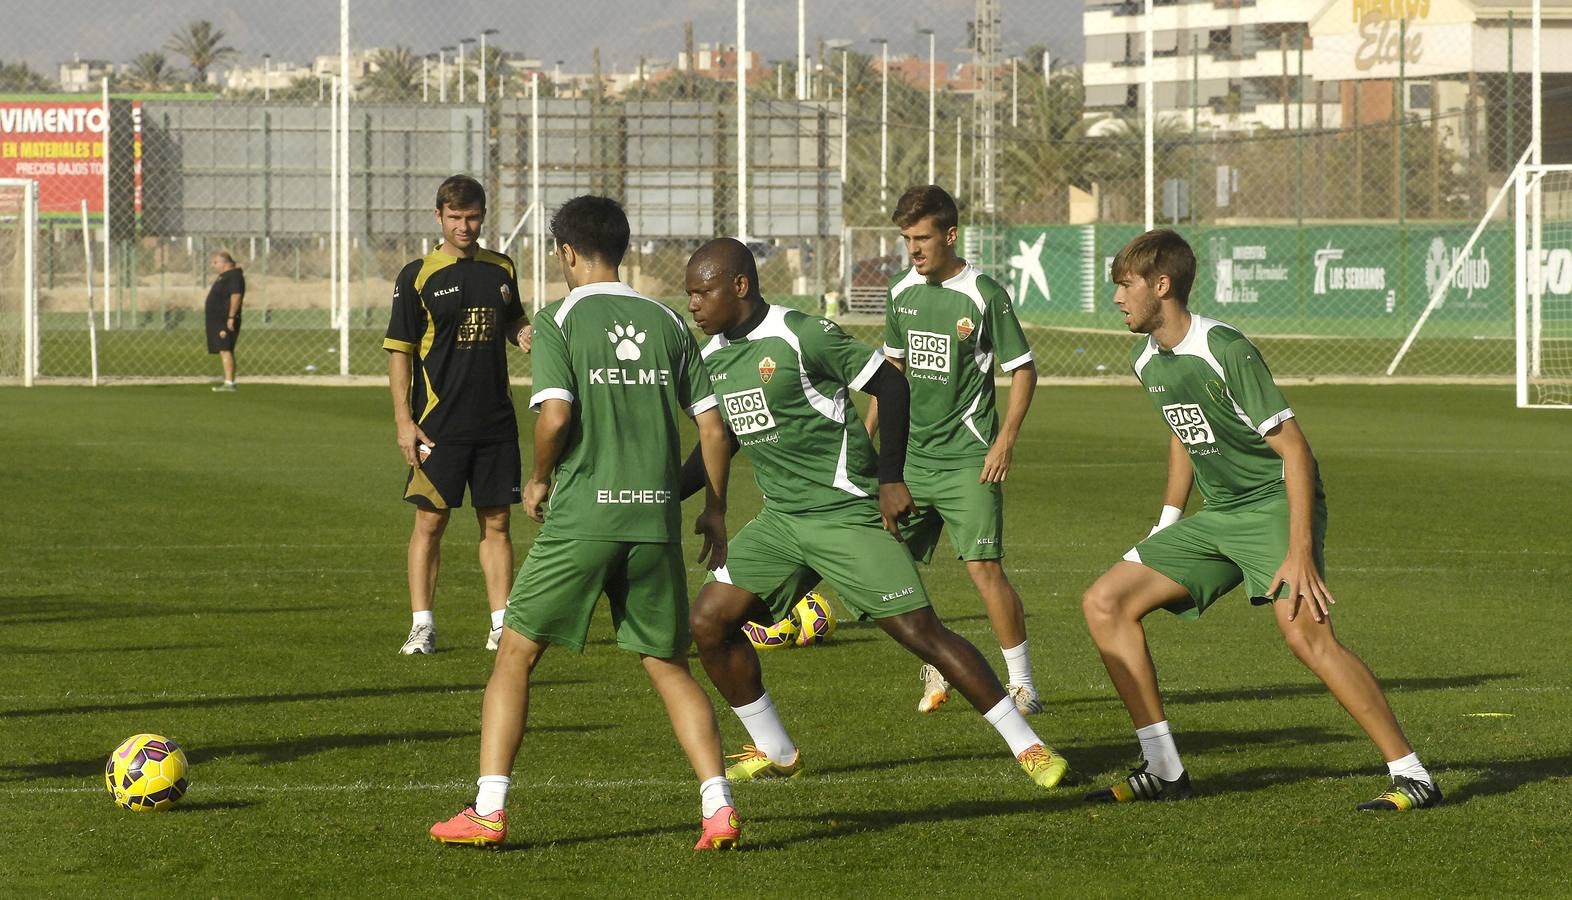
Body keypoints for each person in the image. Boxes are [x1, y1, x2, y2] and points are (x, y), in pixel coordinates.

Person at [680, 237, 1068, 792]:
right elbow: (719, 445)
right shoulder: (713, 358)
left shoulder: (804, 335)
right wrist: (667, 492)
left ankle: (1028, 747)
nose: (692, 304)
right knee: (709, 623)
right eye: (689, 294)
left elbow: (891, 381)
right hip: (780, 522)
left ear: (739, 286)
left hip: (844, 516)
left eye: (702, 292)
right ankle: (776, 748)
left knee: (920, 632)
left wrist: (890, 479)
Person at [1080, 228, 1440, 811]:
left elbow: (1296, 450)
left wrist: (1298, 549)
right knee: (1104, 603)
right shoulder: (1147, 359)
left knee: (1306, 636)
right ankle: (1165, 770)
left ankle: (1414, 774)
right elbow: (1183, 431)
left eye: (1125, 286)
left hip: (1275, 506)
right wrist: (1168, 519)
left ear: (1162, 285)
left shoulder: (1226, 349)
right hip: (1220, 515)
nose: (1117, 298)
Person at [429, 195, 741, 850]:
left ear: (566, 252)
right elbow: (713, 427)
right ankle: (718, 805)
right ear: (620, 248)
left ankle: (488, 809)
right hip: (654, 520)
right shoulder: (667, 322)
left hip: (584, 517)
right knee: (667, 663)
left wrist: (538, 478)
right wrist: (713, 509)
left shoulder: (558, 321)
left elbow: (557, 418)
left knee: (515, 652)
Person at [865, 184, 1044, 716]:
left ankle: (1023, 684)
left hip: (970, 459)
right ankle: (939, 659)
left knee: (984, 568)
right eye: (905, 239)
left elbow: (1023, 370)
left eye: (921, 238)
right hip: (910, 462)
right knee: (891, 564)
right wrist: (866, 443)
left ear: (950, 233)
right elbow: (889, 373)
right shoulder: (901, 293)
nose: (913, 250)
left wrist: (1005, 440)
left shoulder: (984, 294)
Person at [384, 174, 527, 656]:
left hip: (495, 422)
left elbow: (512, 321)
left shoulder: (501, 268)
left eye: (472, 217)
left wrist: (524, 333)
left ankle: (501, 625)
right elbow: (399, 352)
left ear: (483, 215)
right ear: (439, 217)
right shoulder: (418, 274)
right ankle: (422, 625)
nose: (464, 226)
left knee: (498, 523)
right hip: (438, 423)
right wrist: (404, 422)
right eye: (455, 217)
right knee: (430, 523)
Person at [205, 251, 245, 392]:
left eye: (215, 262)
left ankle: (229, 383)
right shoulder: (225, 276)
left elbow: (236, 296)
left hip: (225, 319)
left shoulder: (234, 276)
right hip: (218, 320)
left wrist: (231, 317)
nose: (213, 265)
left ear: (225, 263)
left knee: (225, 348)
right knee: (223, 349)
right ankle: (228, 381)